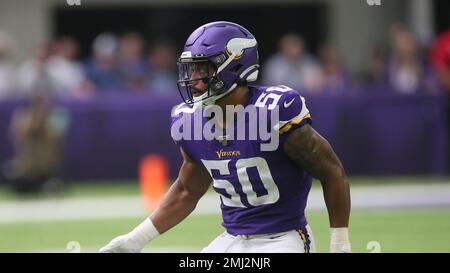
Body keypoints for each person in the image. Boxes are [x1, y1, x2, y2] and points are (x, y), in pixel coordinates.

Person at [100, 21, 351, 253]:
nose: (193, 80)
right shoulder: (188, 119)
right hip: (232, 238)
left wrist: (340, 244)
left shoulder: (273, 111)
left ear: (233, 65)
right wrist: (136, 239)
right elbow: (188, 190)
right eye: (190, 70)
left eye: (202, 69)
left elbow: (331, 172)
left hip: (283, 237)